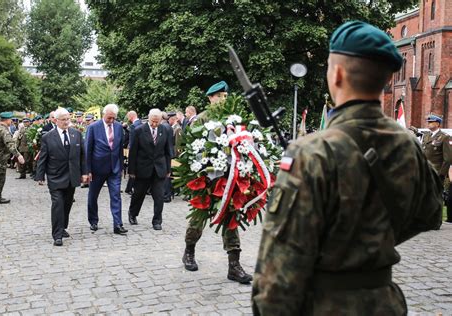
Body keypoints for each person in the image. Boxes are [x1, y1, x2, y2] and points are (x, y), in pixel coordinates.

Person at [251, 21, 443, 315]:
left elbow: (276, 277)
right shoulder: (408, 144)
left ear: (337, 73)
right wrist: (372, 240)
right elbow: (430, 214)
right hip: (385, 303)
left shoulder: (312, 152)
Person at [181, 80, 252, 284]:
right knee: (198, 218)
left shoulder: (234, 119)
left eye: (225, 96)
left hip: (229, 180)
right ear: (211, 98)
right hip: (206, 180)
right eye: (219, 96)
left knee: (230, 219)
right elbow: (192, 148)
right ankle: (189, 251)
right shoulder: (201, 120)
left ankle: (234, 266)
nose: (223, 99)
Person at [35, 108, 87, 246]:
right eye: (63, 120)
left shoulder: (76, 134)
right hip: (55, 176)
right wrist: (40, 175)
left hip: (72, 175)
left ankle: (63, 226)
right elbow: (43, 158)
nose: (66, 122)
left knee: (67, 203)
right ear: (56, 120)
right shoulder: (47, 137)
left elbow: (82, 156)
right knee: (57, 204)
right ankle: (57, 235)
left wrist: (85, 173)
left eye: (67, 119)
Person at [85, 104, 128, 235]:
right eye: (109, 118)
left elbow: (120, 147)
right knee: (93, 195)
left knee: (116, 196)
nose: (111, 121)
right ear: (104, 115)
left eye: (114, 118)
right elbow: (88, 149)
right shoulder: (93, 127)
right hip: (97, 168)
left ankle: (118, 224)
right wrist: (88, 170)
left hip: (114, 168)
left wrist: (120, 166)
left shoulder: (119, 127)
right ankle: (93, 221)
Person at [127, 108, 172, 230]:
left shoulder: (164, 130)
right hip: (143, 168)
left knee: (159, 196)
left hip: (159, 168)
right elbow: (133, 152)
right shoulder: (139, 130)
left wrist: (168, 168)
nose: (154, 124)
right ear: (148, 118)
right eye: (152, 121)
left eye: (157, 122)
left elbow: (168, 151)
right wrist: (131, 170)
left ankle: (157, 221)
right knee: (138, 194)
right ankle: (133, 213)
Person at [0, 112, 25, 204]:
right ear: (7, 120)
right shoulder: (4, 131)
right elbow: (10, 145)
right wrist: (19, 155)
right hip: (0, 158)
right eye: (11, 119)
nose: (12, 121)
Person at [421, 114, 451, 180]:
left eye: (431, 122)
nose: (429, 123)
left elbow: (447, 159)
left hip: (436, 172)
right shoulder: (426, 136)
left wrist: (441, 174)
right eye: (428, 122)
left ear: (437, 124)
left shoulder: (444, 137)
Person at [124, 110, 142, 194]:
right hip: (140, 150)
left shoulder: (133, 126)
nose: (128, 118)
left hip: (135, 151)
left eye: (128, 116)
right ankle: (129, 188)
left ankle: (130, 188)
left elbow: (132, 140)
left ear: (131, 116)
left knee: (133, 169)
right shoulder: (141, 123)